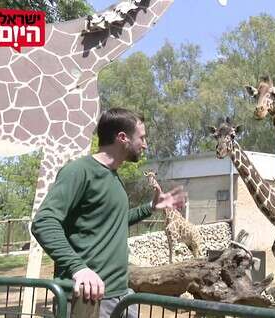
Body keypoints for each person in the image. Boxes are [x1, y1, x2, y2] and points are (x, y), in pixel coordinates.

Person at [31, 108, 187, 317]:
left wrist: (150, 208)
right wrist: (78, 268)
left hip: (120, 296)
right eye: (142, 137)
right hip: (87, 299)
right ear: (123, 138)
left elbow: (114, 221)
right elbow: (44, 222)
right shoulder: (80, 171)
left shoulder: (114, 177)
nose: (145, 144)